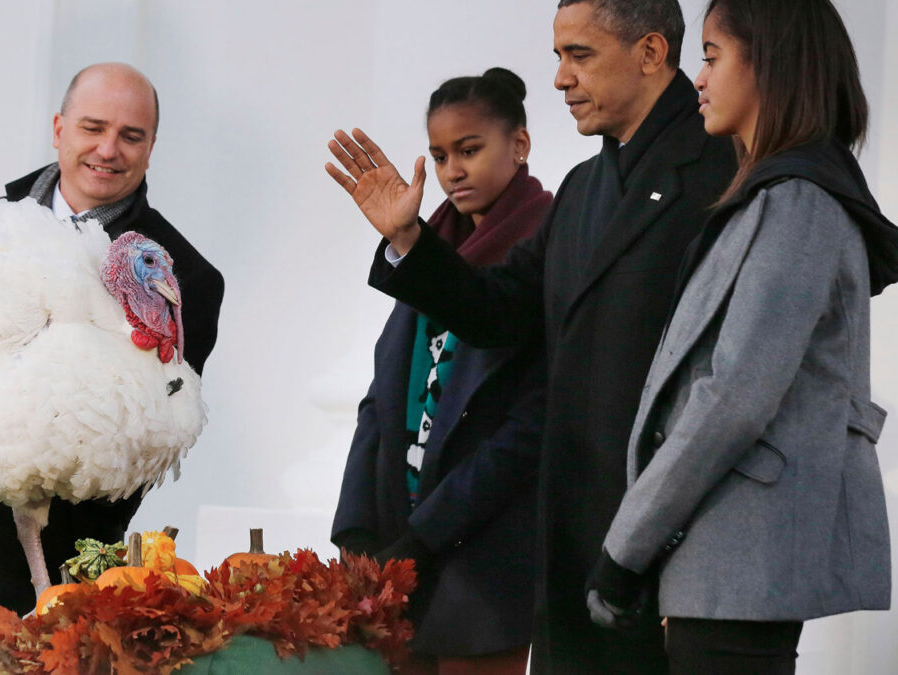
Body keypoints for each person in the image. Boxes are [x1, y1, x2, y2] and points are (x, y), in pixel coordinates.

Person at [325, 1, 737, 671]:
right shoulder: (585, 187)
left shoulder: (722, 172)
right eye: (558, 57)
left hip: (674, 547)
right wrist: (408, 237)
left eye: (580, 55)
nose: (560, 79)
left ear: (652, 53)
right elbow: (497, 313)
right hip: (575, 544)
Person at [587, 1, 897, 672]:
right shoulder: (778, 196)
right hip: (718, 565)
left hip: (741, 570)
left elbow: (734, 395)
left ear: (771, 64)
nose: (698, 78)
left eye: (711, 55)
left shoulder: (798, 202)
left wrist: (625, 549)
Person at [0, 63, 225, 615]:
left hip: (55, 562)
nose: (108, 149)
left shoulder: (183, 277)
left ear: (151, 148)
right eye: (93, 127)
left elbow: (147, 439)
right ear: (59, 129)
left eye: (131, 136)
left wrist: (74, 565)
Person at [331, 68, 550, 675]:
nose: (453, 169)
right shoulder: (430, 250)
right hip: (402, 544)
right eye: (439, 154)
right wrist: (355, 530)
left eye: (470, 150)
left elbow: (527, 425)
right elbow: (382, 397)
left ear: (521, 145)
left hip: (483, 558)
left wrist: (427, 537)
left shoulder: (545, 243)